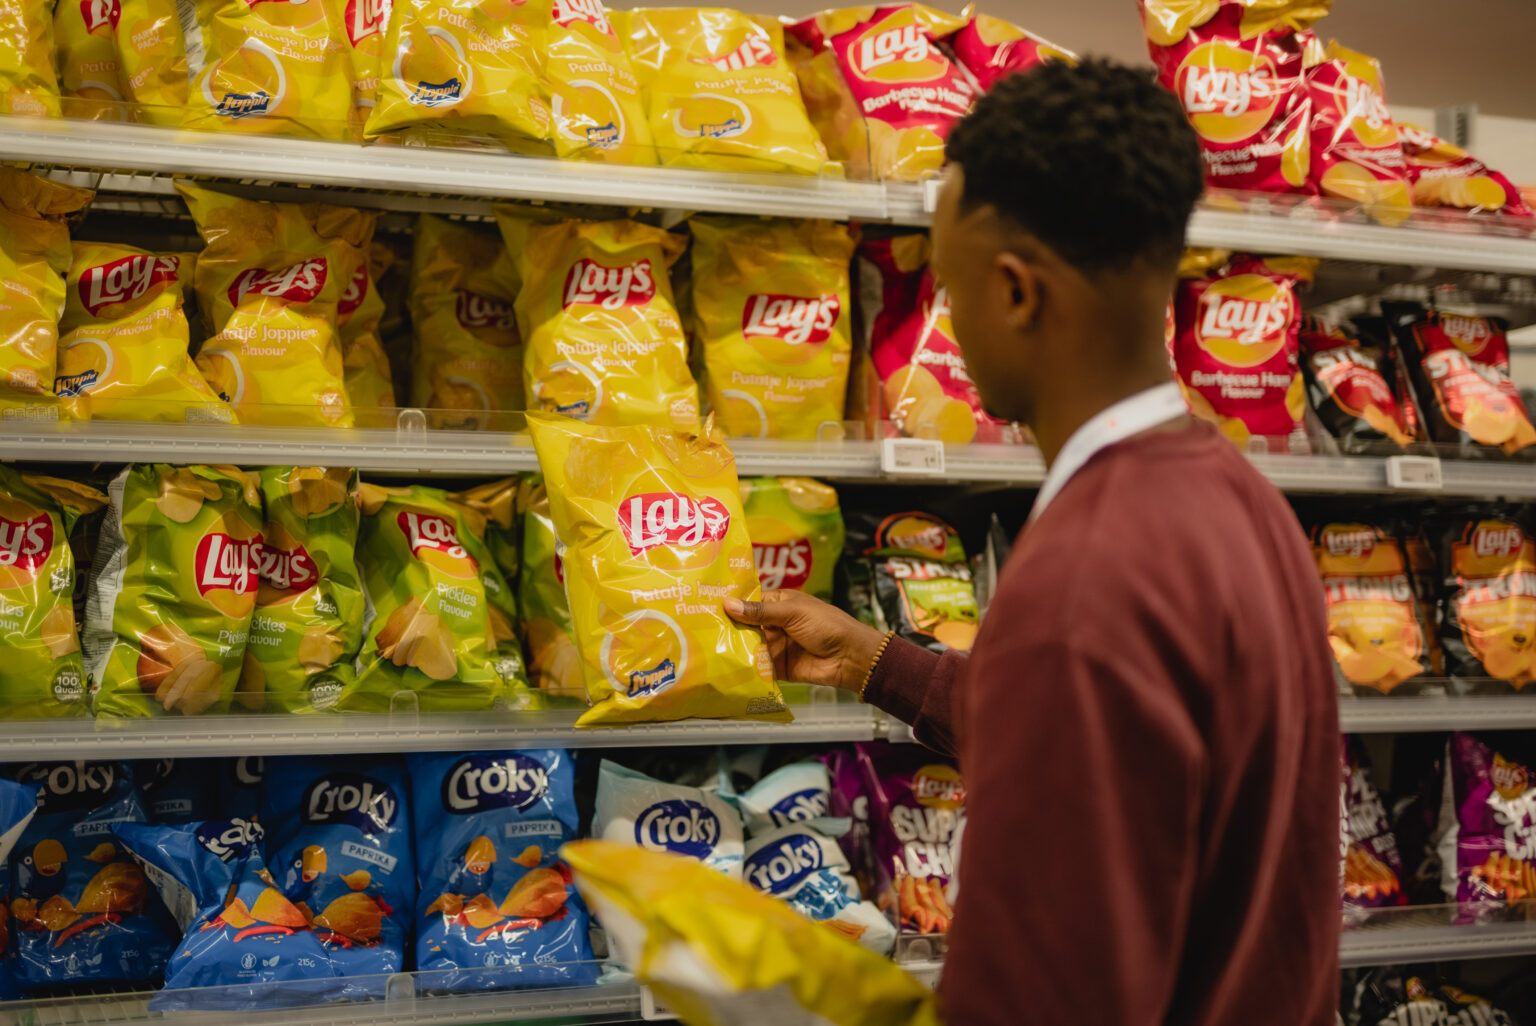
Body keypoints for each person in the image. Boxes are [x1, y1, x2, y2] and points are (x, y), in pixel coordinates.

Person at [725, 59, 1341, 1025]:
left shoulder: (1084, 575)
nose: (949, 322)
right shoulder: (1237, 498)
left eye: (948, 282)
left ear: (1015, 293)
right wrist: (880, 664)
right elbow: (1141, 757)